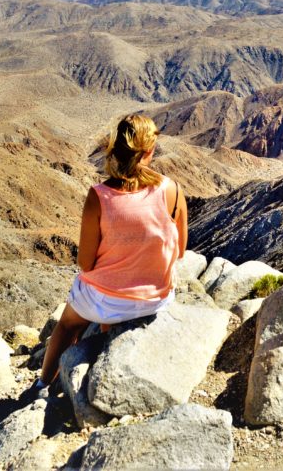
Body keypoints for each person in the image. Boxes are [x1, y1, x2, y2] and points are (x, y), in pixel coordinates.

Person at [30, 113, 187, 394]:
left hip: (105, 301)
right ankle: (107, 333)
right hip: (155, 299)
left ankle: (43, 383)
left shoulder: (99, 196)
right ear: (150, 150)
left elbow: (86, 264)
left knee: (66, 326)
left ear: (116, 149)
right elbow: (180, 250)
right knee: (107, 298)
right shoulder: (173, 190)